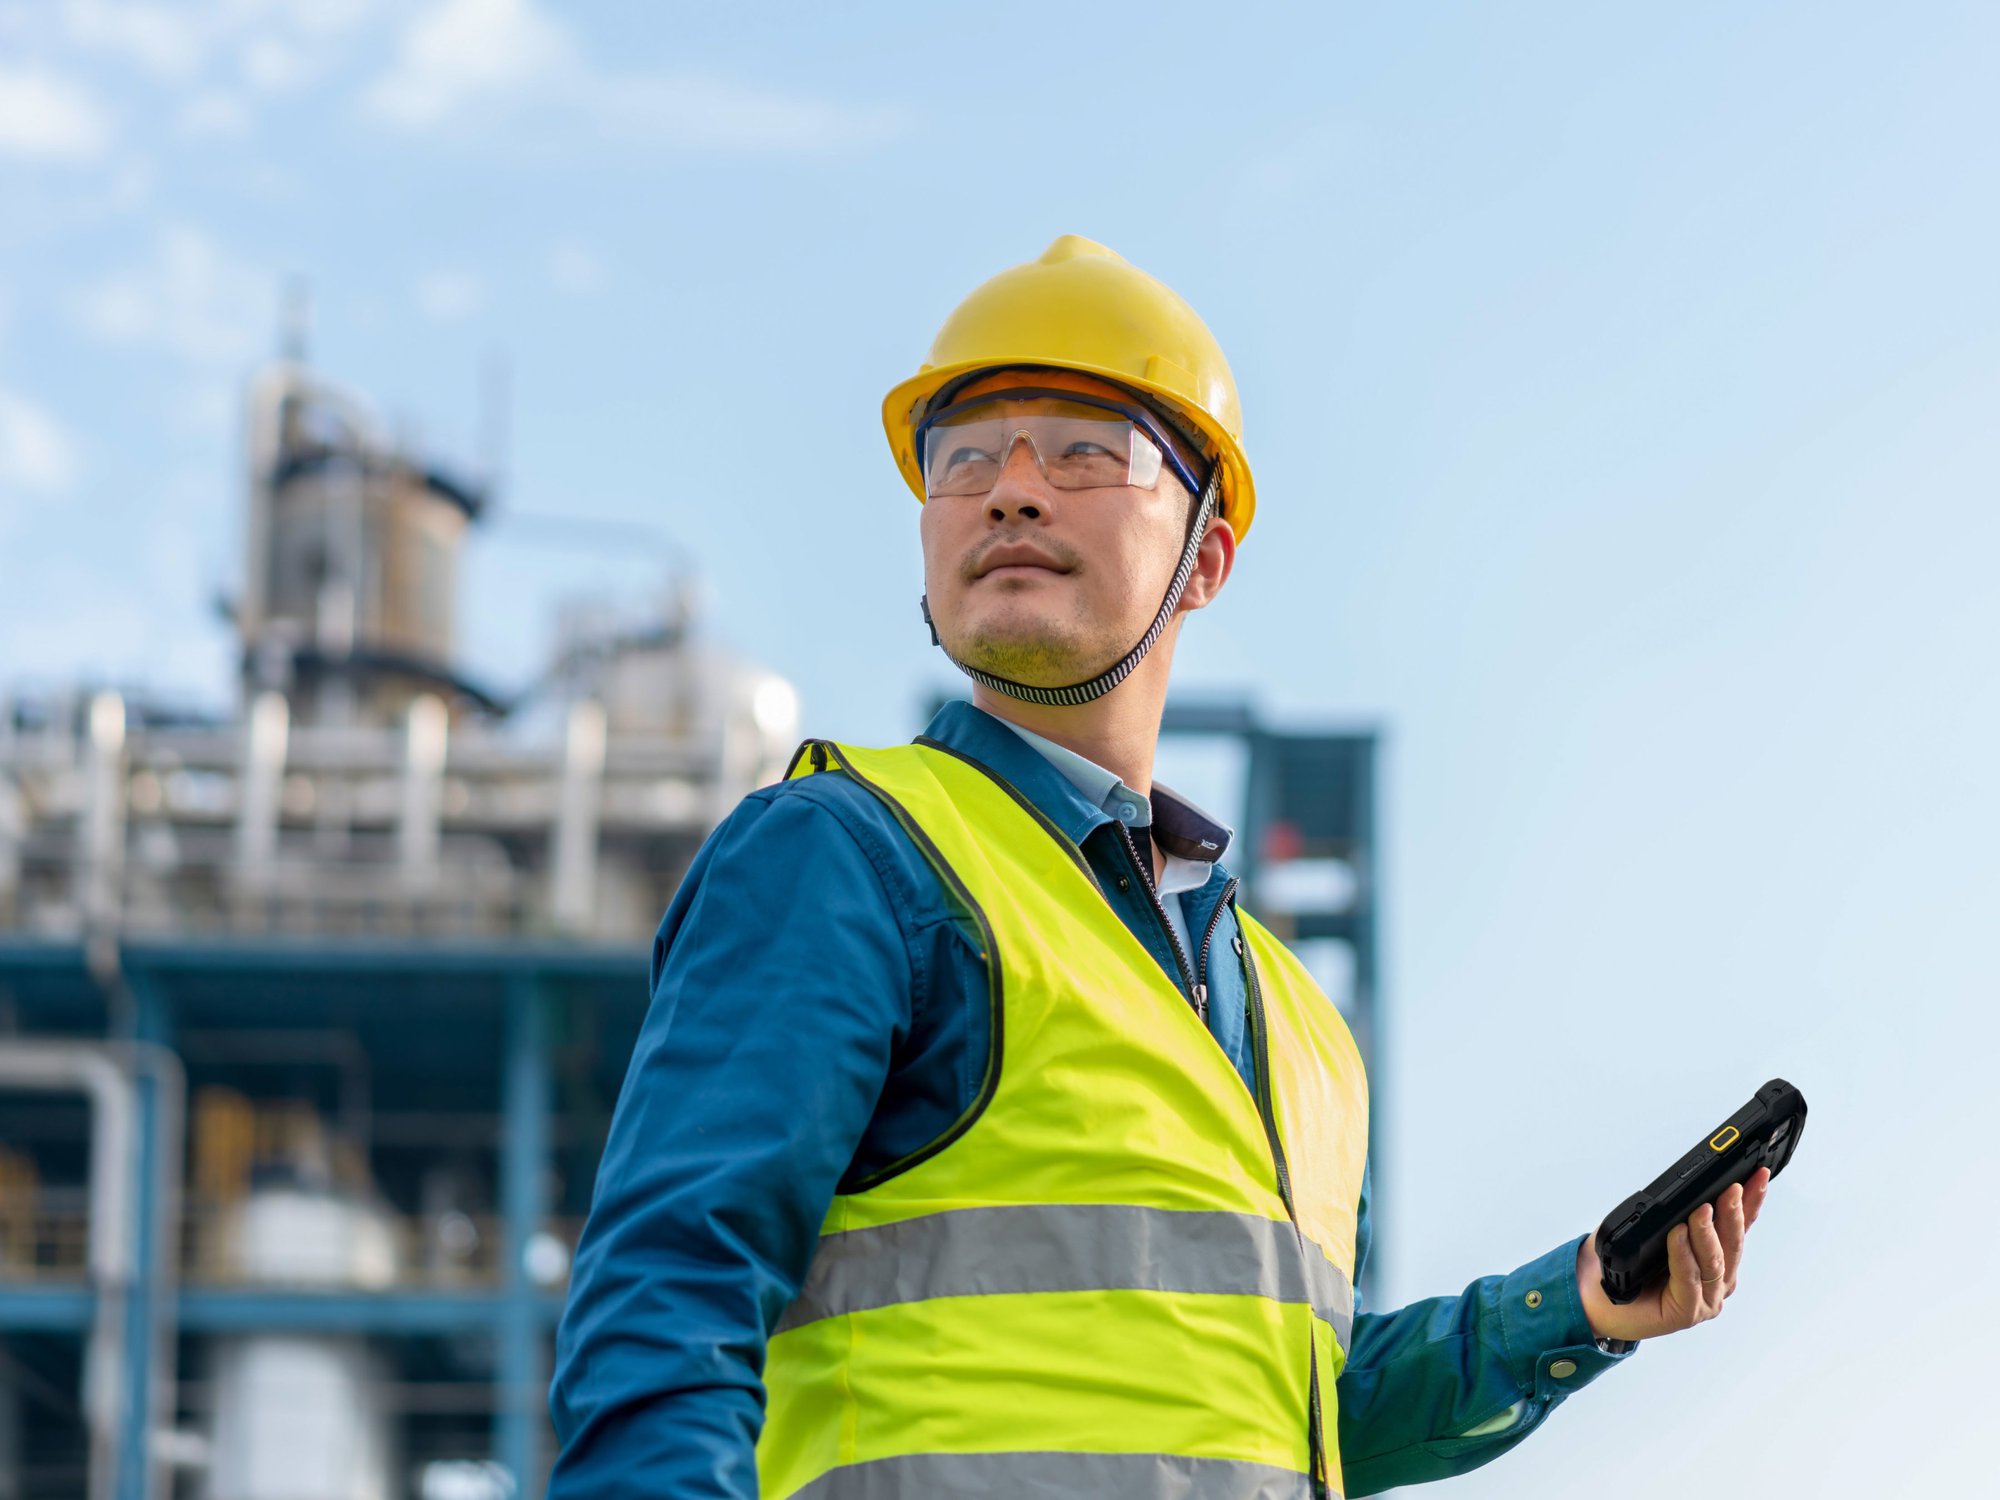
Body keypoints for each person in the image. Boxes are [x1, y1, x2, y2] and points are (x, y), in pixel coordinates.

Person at [548, 235, 1772, 1499]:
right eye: (963, 457)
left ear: (1205, 559)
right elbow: (668, 1300)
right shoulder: (846, 856)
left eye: (1085, 452)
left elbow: (1297, 1410)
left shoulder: (1302, 1032)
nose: (1009, 492)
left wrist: (1577, 1303)